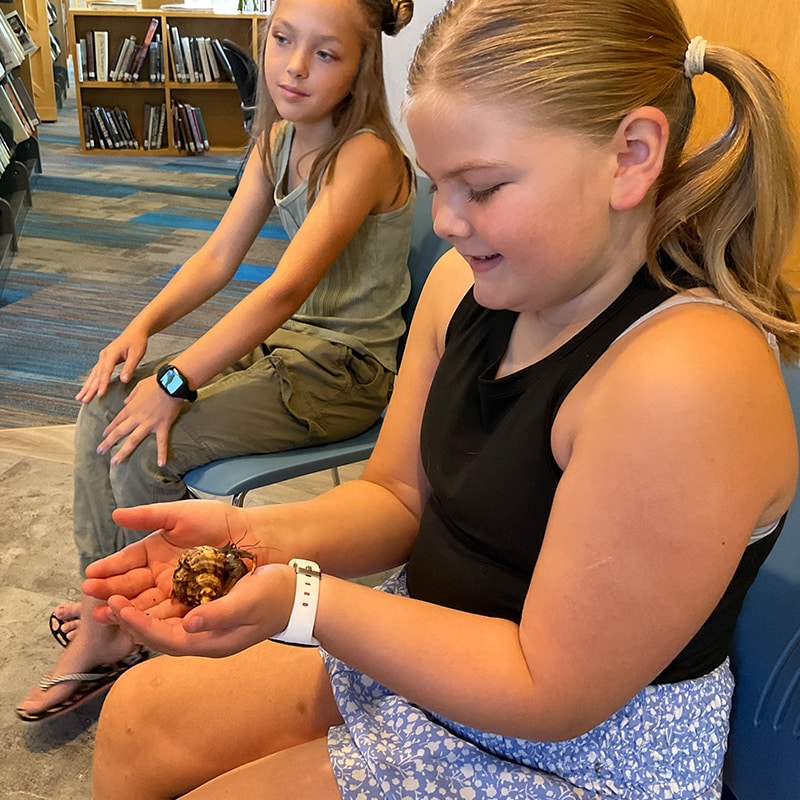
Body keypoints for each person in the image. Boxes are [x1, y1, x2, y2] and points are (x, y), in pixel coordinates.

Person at [81, 0, 799, 796]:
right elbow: (396, 496)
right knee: (138, 716)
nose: (447, 223)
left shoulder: (687, 377)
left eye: (482, 188)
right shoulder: (467, 285)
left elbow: (547, 685)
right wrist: (248, 537)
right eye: (437, 185)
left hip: (573, 745)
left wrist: (305, 603)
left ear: (630, 155)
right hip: (434, 655)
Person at [15, 0, 417, 722]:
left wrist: (177, 379)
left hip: (345, 370)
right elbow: (219, 255)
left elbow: (286, 288)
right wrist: (142, 327)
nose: (294, 66)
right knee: (106, 404)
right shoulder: (278, 137)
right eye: (284, 40)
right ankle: (104, 604)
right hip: (289, 352)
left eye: (325, 54)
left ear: (360, 70)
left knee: (140, 440)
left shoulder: (367, 154)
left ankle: (120, 628)